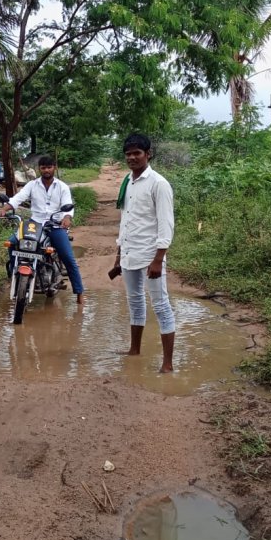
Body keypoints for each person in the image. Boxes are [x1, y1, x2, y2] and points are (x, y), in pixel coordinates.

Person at [109, 133, 176, 373]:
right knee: (135, 302)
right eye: (128, 154)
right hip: (129, 253)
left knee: (160, 305)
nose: (132, 158)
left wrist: (158, 259)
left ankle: (167, 364)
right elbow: (125, 220)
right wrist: (118, 255)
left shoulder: (159, 184)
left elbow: (166, 224)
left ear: (148, 154)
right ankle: (134, 350)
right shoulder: (127, 181)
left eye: (137, 153)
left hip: (150, 255)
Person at [0, 155, 85, 305]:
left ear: (54, 168)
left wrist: (67, 218)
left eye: (49, 167)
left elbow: (68, 205)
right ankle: (14, 273)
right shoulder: (32, 185)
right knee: (12, 243)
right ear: (39, 169)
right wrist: (4, 209)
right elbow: (18, 198)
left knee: (68, 258)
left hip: (55, 225)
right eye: (43, 167)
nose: (46, 170)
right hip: (34, 223)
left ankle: (79, 293)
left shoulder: (62, 186)